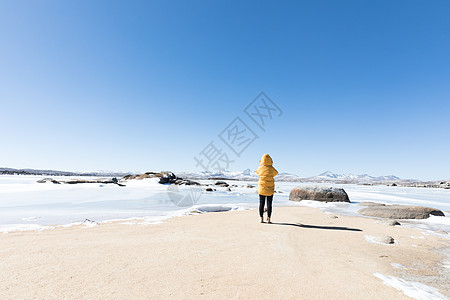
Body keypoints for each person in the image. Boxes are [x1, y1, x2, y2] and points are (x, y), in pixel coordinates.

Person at [256, 154, 278, 223]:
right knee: (269, 203)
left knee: (261, 203)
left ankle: (261, 218)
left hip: (262, 189)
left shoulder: (260, 168)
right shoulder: (272, 169)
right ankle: (268, 219)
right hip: (270, 189)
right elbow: (276, 173)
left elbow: (257, 173)